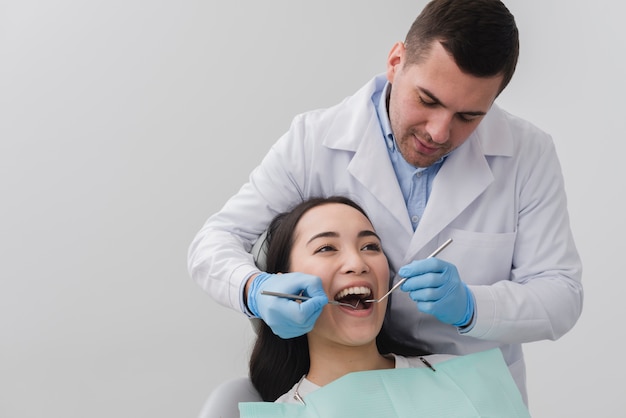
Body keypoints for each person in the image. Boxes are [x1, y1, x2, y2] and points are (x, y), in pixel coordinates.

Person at [188, 0, 583, 407]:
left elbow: (561, 295)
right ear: (396, 61)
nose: (439, 131)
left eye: (468, 116)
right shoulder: (313, 142)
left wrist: (470, 305)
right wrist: (256, 289)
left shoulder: (526, 153)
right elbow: (214, 242)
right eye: (428, 100)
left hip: (469, 398)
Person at [240, 196, 529, 417]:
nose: (358, 263)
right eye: (326, 248)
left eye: (370, 247)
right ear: (283, 287)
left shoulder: (469, 379)